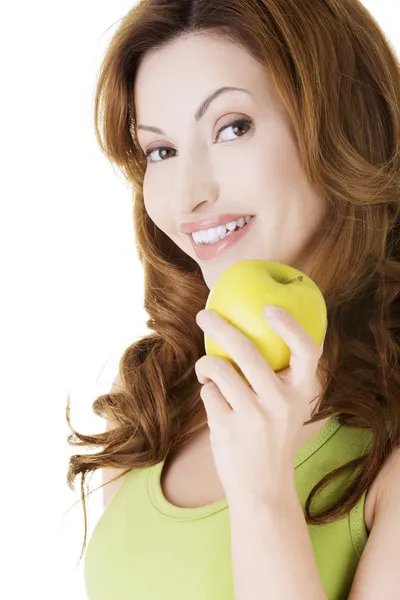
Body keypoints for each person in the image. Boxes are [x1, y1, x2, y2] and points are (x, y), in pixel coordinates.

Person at [66, 0, 400, 598]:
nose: (189, 194)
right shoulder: (156, 407)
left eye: (232, 127)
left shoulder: (388, 454)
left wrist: (263, 494)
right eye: (160, 150)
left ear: (346, 124)